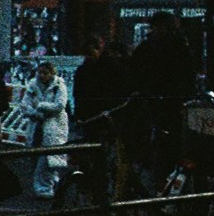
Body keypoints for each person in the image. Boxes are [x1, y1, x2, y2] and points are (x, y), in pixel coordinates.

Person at [128, 9, 198, 186]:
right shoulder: (175, 46)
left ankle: (163, 180)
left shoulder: (169, 47)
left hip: (167, 103)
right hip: (157, 102)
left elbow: (187, 76)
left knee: (167, 146)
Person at [75, 26, 138, 193]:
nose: (89, 56)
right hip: (97, 117)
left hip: (107, 117)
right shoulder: (91, 70)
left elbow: (121, 92)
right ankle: (100, 190)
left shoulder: (108, 69)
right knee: (97, 157)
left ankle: (104, 190)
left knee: (104, 156)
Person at [21, 59, 74, 195]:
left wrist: (40, 106)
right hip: (36, 126)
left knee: (47, 159)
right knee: (36, 156)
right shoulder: (33, 85)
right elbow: (25, 105)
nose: (41, 75)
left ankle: (45, 188)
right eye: (39, 72)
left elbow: (59, 105)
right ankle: (49, 183)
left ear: (51, 73)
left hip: (54, 126)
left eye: (45, 73)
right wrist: (35, 113)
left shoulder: (59, 86)